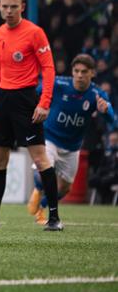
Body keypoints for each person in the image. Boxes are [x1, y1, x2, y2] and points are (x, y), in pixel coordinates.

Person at [0, 0, 60, 230]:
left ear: (22, 7)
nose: (9, 11)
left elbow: (49, 69)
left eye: (13, 6)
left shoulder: (35, 33)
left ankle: (54, 218)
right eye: (5, 6)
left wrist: (44, 102)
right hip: (3, 100)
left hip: (25, 101)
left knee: (41, 159)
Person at [27, 54, 116, 223]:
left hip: (73, 146)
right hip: (49, 138)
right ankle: (38, 190)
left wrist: (106, 112)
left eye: (84, 72)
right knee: (42, 171)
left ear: (92, 73)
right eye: (76, 71)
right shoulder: (59, 84)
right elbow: (34, 92)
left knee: (65, 188)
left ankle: (42, 206)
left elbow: (113, 120)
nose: (80, 75)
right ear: (72, 72)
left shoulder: (97, 94)